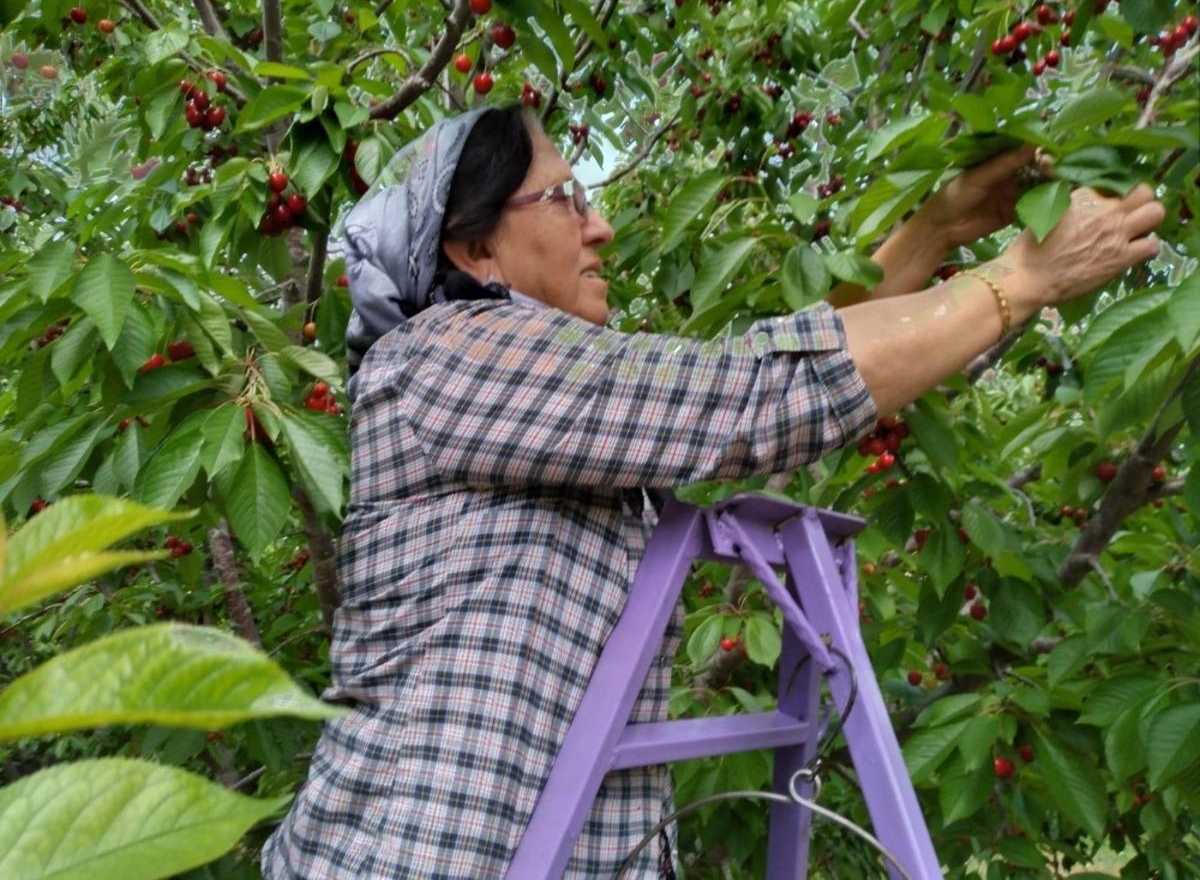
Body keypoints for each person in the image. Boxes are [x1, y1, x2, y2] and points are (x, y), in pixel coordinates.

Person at [260, 104, 1164, 878]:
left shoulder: (555, 407)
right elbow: (742, 394)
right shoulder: (443, 359)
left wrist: (931, 235)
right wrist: (1021, 280)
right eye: (566, 199)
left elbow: (761, 369)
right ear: (474, 248)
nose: (599, 225)